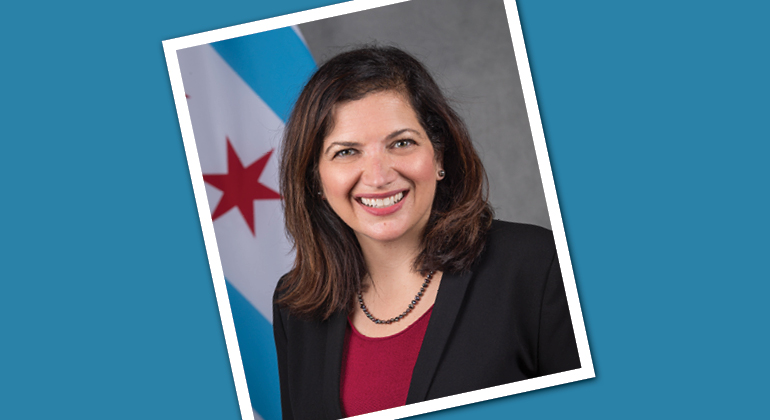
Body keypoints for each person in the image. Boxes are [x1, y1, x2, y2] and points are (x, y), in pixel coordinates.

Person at [273, 46, 580, 420]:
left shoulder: (537, 266)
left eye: (401, 143)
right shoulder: (295, 306)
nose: (378, 176)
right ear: (316, 179)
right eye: (346, 152)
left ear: (438, 156)